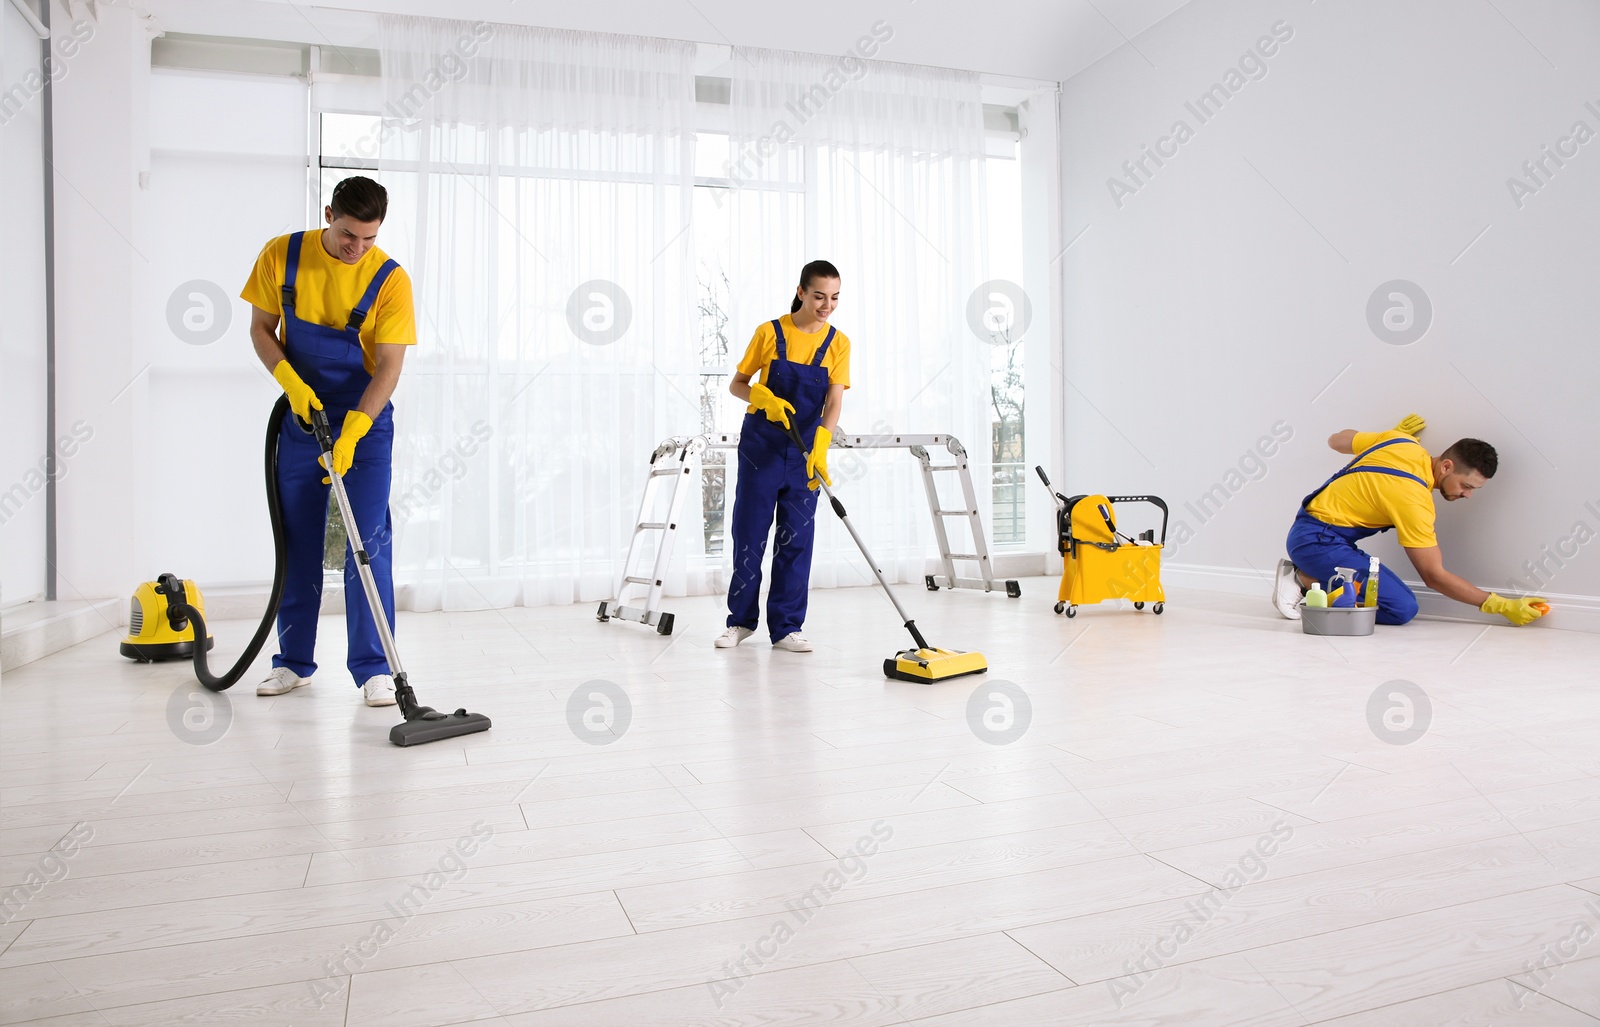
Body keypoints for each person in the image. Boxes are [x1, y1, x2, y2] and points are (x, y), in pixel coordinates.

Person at [240, 176, 417, 705]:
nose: (356, 248)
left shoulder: (389, 280)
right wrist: (290, 383)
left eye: (368, 238)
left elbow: (389, 365)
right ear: (328, 213)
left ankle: (374, 668)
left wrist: (357, 428)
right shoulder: (282, 255)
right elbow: (260, 330)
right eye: (347, 235)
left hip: (363, 420)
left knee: (367, 543)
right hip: (301, 416)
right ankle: (292, 662)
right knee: (299, 539)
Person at [1271, 414, 1548, 627]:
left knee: (1393, 601)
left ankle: (1313, 573)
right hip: (1318, 543)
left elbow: (1336, 440)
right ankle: (1304, 578)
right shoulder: (1415, 501)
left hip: (1315, 532)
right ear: (1447, 466)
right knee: (1401, 609)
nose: (1468, 495)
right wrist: (1500, 606)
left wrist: (1387, 437)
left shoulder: (1401, 442)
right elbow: (1434, 576)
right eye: (1466, 485)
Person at [716, 261, 851, 652]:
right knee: (749, 535)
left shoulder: (838, 343)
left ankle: (787, 628)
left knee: (797, 541)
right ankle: (739, 622)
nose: (827, 305)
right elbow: (737, 385)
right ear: (801, 292)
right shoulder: (770, 333)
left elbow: (834, 402)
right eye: (819, 296)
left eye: (835, 297)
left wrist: (821, 446)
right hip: (761, 449)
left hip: (806, 452)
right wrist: (762, 397)